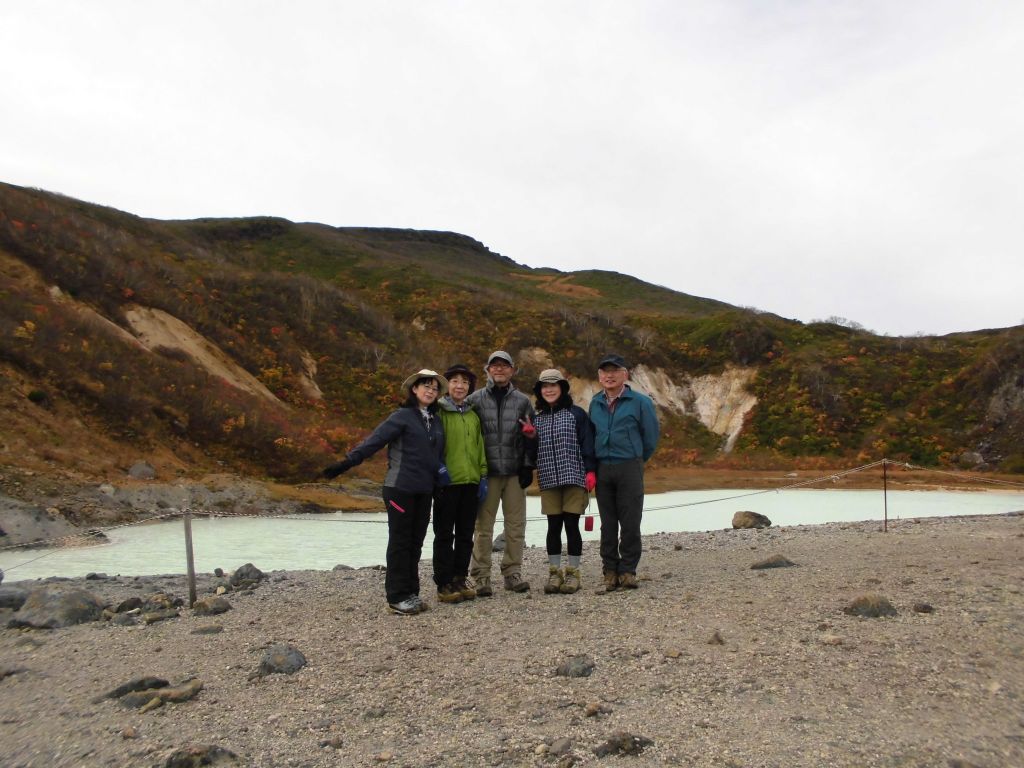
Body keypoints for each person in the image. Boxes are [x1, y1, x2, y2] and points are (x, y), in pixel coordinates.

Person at [322, 369, 449, 615]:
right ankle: (397, 597)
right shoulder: (402, 416)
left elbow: (435, 457)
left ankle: (411, 592)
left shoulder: (435, 421)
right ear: (414, 389)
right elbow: (374, 441)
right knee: (400, 541)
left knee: (415, 543)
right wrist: (345, 463)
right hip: (400, 488)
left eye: (434, 388)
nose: (430, 391)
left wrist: (440, 481)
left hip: (424, 490)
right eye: (426, 386)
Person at [466, 350, 536, 595]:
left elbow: (530, 435)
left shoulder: (523, 401)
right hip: (487, 474)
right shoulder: (474, 400)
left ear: (512, 370)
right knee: (483, 527)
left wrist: (528, 465)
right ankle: (481, 576)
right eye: (494, 366)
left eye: (504, 366)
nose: (499, 370)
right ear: (487, 369)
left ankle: (512, 572)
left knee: (515, 526)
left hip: (515, 473)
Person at [588, 354, 659, 591]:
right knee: (608, 523)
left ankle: (628, 570)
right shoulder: (595, 402)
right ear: (599, 376)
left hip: (629, 466)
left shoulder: (641, 402)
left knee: (630, 522)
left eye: (614, 371)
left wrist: (636, 458)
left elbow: (650, 438)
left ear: (624, 375)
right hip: (602, 468)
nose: (609, 376)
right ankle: (610, 570)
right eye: (604, 372)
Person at [526, 369, 597, 595]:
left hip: (574, 477)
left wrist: (590, 470)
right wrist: (529, 437)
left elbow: (587, 442)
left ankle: (573, 573)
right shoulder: (537, 419)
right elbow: (532, 453)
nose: (549, 389)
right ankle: (554, 573)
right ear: (539, 391)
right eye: (544, 387)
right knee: (553, 527)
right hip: (548, 479)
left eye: (553, 385)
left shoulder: (576, 414)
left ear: (562, 388)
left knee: (572, 525)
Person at [433, 363, 488, 604]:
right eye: (455, 381)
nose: (460, 385)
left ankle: (459, 578)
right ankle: (444, 582)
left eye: (464, 382)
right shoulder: (439, 413)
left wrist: (483, 475)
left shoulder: (473, 415)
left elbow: (480, 447)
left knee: (466, 534)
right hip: (447, 482)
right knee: (444, 534)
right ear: (447, 386)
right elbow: (432, 445)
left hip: (470, 481)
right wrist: (438, 469)